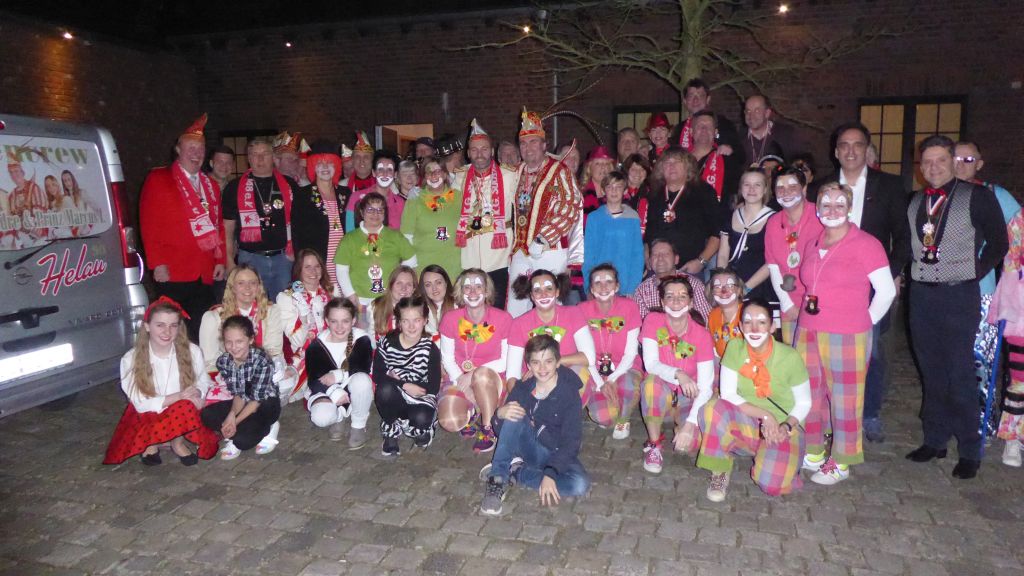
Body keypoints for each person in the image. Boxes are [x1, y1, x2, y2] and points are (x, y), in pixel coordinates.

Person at [905, 136, 1008, 480]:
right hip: (922, 296)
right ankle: (935, 439)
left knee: (960, 372)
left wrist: (974, 272)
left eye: (940, 160)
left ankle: (969, 449)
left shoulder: (976, 196)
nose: (933, 167)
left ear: (952, 162)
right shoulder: (915, 201)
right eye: (927, 162)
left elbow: (1000, 242)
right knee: (931, 370)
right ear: (920, 167)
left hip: (958, 296)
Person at [795, 181, 896, 485]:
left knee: (844, 399)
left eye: (839, 205)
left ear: (850, 209)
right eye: (826, 204)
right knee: (809, 393)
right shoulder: (814, 242)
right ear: (817, 208)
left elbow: (886, 291)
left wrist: (864, 322)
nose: (832, 210)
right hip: (808, 329)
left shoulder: (866, 244)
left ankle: (841, 460)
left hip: (847, 333)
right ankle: (813, 450)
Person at [816, 122, 910, 443]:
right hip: (831, 285)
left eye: (857, 144)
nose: (851, 151)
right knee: (829, 351)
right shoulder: (821, 186)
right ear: (836, 151)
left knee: (872, 351)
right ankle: (831, 413)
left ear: (867, 149)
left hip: (873, 283)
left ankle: (869, 413)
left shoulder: (890, 186)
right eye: (844, 144)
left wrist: (892, 272)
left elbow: (904, 238)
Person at [696, 298, 811, 501]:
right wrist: (765, 416)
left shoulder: (790, 357)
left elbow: (804, 403)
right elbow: (728, 394)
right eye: (748, 322)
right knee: (712, 409)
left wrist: (785, 426)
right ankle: (720, 470)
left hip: (783, 428)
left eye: (762, 322)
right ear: (741, 327)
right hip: (748, 421)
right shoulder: (734, 348)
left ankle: (780, 460)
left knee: (770, 484)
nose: (754, 328)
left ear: (772, 326)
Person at [479, 335, 591, 516]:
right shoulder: (523, 388)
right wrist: (498, 414)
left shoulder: (569, 393)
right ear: (529, 366)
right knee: (514, 412)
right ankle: (497, 478)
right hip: (529, 448)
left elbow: (571, 442)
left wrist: (550, 473)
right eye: (536, 363)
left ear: (558, 362)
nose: (542, 368)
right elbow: (504, 430)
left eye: (548, 362)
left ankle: (517, 472)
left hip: (554, 452)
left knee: (579, 484)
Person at [953, 141, 1020, 437]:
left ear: (979, 164)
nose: (960, 164)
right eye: (955, 158)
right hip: (943, 291)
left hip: (982, 289)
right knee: (948, 358)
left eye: (968, 159)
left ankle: (980, 422)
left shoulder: (995, 194)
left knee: (979, 357)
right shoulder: (939, 195)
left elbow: (1019, 234)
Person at [140, 113, 226, 342]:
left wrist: (220, 260)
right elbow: (148, 225)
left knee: (202, 330)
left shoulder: (211, 185)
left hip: (204, 271)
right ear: (178, 150)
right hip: (173, 269)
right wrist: (157, 262)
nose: (196, 153)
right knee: (173, 331)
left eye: (200, 148)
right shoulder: (159, 179)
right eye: (191, 148)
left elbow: (217, 225)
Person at [103, 297, 219, 466]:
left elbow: (203, 379)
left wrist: (198, 392)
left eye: (173, 326)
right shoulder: (130, 359)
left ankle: (177, 443)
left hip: (180, 411)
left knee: (186, 406)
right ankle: (151, 442)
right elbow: (141, 403)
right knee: (179, 403)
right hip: (147, 414)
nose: (167, 332)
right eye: (160, 325)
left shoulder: (192, 351)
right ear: (147, 326)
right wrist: (179, 395)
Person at [199, 265, 287, 456]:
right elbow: (210, 361)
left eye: (252, 283)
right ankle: (250, 427)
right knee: (207, 415)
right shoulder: (214, 316)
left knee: (244, 438)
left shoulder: (270, 311)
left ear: (259, 286)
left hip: (260, 386)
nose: (247, 288)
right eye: (241, 283)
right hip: (229, 380)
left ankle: (255, 427)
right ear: (232, 287)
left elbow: (273, 350)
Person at [507, 108, 582, 317]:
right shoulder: (517, 171)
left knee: (551, 304)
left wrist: (543, 238)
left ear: (544, 145)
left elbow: (569, 206)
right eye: (523, 143)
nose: (528, 148)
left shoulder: (559, 171)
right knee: (515, 306)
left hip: (550, 250)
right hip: (521, 251)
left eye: (533, 142)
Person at [507, 270, 607, 426]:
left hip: (568, 375)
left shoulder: (573, 313)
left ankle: (554, 421)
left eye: (549, 288)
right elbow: (512, 375)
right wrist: (519, 401)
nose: (543, 294)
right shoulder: (519, 323)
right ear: (532, 296)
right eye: (537, 290)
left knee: (605, 416)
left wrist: (556, 362)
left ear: (557, 291)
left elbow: (589, 357)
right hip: (536, 379)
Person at [639, 275, 715, 473]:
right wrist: (679, 374)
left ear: (690, 303)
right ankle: (654, 444)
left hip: (689, 395)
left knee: (690, 444)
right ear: (662, 302)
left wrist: (689, 425)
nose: (675, 301)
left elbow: (706, 387)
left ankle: (679, 423)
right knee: (650, 383)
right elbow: (651, 364)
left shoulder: (702, 334)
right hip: (662, 392)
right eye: (670, 296)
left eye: (682, 296)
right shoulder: (653, 320)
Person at [437, 269, 513, 452]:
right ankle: (474, 410)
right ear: (460, 291)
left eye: (478, 286)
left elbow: (505, 360)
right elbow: (447, 358)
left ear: (486, 291)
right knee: (449, 421)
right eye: (467, 287)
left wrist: (472, 375)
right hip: (459, 377)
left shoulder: (503, 318)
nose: (472, 292)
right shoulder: (450, 319)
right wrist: (461, 381)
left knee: (482, 376)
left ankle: (488, 427)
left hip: (492, 378)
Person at [451, 119, 518, 310]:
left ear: (492, 151)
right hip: (470, 254)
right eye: (474, 149)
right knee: (471, 307)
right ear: (468, 153)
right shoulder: (460, 176)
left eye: (484, 149)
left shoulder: (509, 175)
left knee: (498, 307)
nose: (479, 154)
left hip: (499, 255)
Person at [222, 138, 298, 301]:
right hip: (250, 259)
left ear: (273, 157)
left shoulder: (290, 185)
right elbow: (227, 228)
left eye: (265, 153)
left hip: (284, 259)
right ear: (248, 158)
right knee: (252, 306)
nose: (260, 158)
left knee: (286, 307)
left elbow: (299, 223)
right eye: (255, 154)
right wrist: (228, 260)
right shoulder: (234, 187)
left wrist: (297, 253)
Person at [200, 315, 281, 460]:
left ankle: (269, 426)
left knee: (243, 442)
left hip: (264, 404)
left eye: (239, 341)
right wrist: (231, 415)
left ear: (250, 340)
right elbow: (239, 394)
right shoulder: (224, 362)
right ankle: (245, 429)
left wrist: (234, 421)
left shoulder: (262, 360)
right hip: (243, 402)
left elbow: (256, 400)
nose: (234, 347)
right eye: (228, 342)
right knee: (206, 414)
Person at [579, 265, 643, 439]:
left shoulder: (629, 307)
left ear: (617, 286)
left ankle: (624, 419)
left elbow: (631, 353)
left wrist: (612, 379)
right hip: (594, 370)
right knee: (604, 418)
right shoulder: (581, 310)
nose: (603, 287)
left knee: (628, 386)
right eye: (597, 282)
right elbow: (584, 354)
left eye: (609, 281)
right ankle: (610, 409)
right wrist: (601, 383)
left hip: (626, 367)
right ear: (592, 289)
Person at [373, 295, 442, 456]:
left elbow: (433, 386)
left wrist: (408, 386)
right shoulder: (387, 343)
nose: (411, 326)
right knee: (385, 389)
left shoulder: (429, 348)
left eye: (416, 320)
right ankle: (391, 429)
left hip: (420, 395)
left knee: (421, 418)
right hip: (395, 393)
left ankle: (421, 426)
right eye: (405, 321)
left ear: (425, 321)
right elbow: (377, 375)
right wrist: (404, 385)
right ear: (399, 322)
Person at [765, 167, 823, 344]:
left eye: (792, 187)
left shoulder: (821, 216)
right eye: (780, 188)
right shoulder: (773, 223)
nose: (786, 192)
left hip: (820, 303)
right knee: (794, 355)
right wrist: (787, 304)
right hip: (789, 303)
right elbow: (773, 268)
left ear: (804, 189)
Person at [304, 298, 374, 446]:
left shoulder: (361, 339)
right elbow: (314, 377)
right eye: (334, 321)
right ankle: (338, 417)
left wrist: (337, 375)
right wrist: (334, 392)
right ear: (327, 321)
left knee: (362, 380)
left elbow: (362, 367)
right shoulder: (317, 344)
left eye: (345, 321)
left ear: (353, 321)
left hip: (352, 385)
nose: (340, 327)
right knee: (321, 417)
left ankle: (358, 424)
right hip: (328, 389)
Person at [643, 148, 720, 275]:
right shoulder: (655, 194)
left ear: (688, 167)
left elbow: (716, 233)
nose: (671, 166)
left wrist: (701, 261)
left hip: (690, 268)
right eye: (667, 162)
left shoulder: (703, 192)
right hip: (659, 268)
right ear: (661, 169)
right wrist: (647, 254)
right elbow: (649, 232)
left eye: (677, 161)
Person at [334, 192, 416, 310]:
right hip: (360, 301)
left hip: (389, 301)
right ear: (362, 212)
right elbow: (341, 270)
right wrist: (350, 294)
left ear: (384, 213)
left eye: (380, 210)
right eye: (370, 209)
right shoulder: (349, 239)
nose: (375, 214)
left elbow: (411, 260)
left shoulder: (395, 236)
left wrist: (398, 283)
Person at [291, 140, 350, 290]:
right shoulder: (303, 195)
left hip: (344, 262)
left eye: (329, 163)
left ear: (336, 166)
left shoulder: (346, 193)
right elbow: (296, 234)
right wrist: (302, 265)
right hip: (317, 264)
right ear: (312, 167)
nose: (325, 167)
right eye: (319, 163)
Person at [276, 249, 333, 403]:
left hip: (332, 352)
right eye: (307, 267)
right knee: (284, 384)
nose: (313, 271)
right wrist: (304, 317)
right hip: (302, 356)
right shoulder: (287, 298)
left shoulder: (330, 293)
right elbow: (298, 341)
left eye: (317, 266)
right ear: (299, 270)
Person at [990, 210, 1024, 466]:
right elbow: (1011, 265)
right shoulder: (1020, 221)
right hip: (1022, 313)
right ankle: (1013, 437)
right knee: (1020, 380)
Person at [717, 168, 776, 301]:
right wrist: (722, 282)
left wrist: (745, 288)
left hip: (761, 288)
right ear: (741, 188)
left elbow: (772, 262)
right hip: (732, 285)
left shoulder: (774, 219)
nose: (751, 189)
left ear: (765, 189)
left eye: (757, 185)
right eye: (747, 184)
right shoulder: (731, 215)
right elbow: (723, 254)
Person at [582, 171, 644, 295]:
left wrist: (633, 288)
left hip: (625, 283)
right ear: (603, 191)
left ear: (625, 191)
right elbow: (588, 254)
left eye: (618, 187)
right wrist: (589, 286)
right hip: (600, 283)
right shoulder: (594, 218)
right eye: (609, 187)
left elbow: (637, 255)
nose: (614, 191)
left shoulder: (633, 217)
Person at [400, 157, 463, 278]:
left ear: (445, 174)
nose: (433, 175)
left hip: (453, 266)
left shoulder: (458, 197)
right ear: (424, 176)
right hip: (424, 267)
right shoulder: (415, 199)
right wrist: (410, 266)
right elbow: (406, 235)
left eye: (438, 171)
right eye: (429, 172)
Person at [632, 238, 711, 321]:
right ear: (650, 261)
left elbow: (706, 320)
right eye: (655, 255)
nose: (660, 258)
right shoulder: (641, 291)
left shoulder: (694, 285)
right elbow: (642, 324)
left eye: (666, 254)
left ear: (676, 259)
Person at [670, 78, 739, 157]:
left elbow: (739, 153)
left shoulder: (724, 124)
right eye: (691, 96)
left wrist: (730, 149)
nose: (695, 100)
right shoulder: (679, 129)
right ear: (685, 101)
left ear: (708, 99)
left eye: (700, 95)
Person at [690, 111, 743, 205]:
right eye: (699, 126)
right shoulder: (680, 161)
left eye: (709, 126)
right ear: (691, 132)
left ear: (715, 132)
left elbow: (737, 193)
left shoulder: (727, 161)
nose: (704, 129)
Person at [741, 94, 806, 167]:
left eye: (757, 111)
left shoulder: (787, 134)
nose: (751, 116)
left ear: (767, 113)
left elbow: (800, 163)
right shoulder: (738, 138)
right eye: (748, 111)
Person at [345, 150, 404, 231]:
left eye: (389, 170)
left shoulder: (400, 202)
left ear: (395, 174)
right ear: (373, 172)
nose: (385, 174)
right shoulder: (356, 197)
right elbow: (349, 231)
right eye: (380, 169)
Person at [367, 265, 417, 345]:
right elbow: (371, 340)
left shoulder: (419, 309)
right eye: (399, 283)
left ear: (413, 289)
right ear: (391, 285)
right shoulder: (375, 306)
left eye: (408, 284)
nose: (403, 288)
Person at [705, 268, 745, 359]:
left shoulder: (748, 313)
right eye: (717, 287)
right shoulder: (713, 315)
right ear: (712, 292)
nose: (723, 291)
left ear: (739, 290)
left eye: (730, 286)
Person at [419, 264, 455, 338]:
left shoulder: (460, 306)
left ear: (446, 283)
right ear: (423, 288)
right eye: (428, 285)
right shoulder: (419, 310)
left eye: (438, 282)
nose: (434, 288)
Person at [580, 146, 615, 217]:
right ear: (589, 168)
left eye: (606, 163)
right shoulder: (580, 194)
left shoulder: (618, 192)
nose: (603, 167)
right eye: (598, 163)